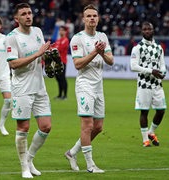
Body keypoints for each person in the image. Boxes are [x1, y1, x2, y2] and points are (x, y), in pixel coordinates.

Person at [64, 4, 114, 173]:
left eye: (95, 16)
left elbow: (111, 61)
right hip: (85, 85)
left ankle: (72, 152)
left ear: (98, 19)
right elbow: (77, 64)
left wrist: (101, 53)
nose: (92, 18)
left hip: (99, 86)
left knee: (98, 127)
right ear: (83, 19)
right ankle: (90, 165)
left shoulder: (103, 36)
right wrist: (95, 52)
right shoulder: (77, 39)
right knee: (87, 125)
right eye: (89, 16)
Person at [5, 3, 52, 178]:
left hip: (39, 87)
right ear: (17, 19)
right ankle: (24, 167)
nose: (28, 16)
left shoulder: (38, 32)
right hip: (21, 88)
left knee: (46, 127)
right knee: (23, 127)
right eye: (24, 14)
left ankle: (30, 159)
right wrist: (38, 54)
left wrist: (48, 54)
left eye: (29, 13)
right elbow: (13, 64)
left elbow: (41, 55)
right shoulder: (12, 37)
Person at [130, 22, 166, 147]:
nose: (147, 31)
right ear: (142, 31)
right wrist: (151, 71)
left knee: (161, 110)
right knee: (144, 111)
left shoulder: (158, 47)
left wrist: (163, 72)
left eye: (149, 29)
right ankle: (145, 139)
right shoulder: (137, 48)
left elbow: (162, 64)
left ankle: (151, 132)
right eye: (144, 29)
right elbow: (133, 66)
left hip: (157, 84)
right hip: (144, 84)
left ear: (153, 30)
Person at [52, 25, 69, 100]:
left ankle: (64, 95)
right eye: (60, 30)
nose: (61, 31)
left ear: (65, 31)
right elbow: (53, 48)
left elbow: (59, 49)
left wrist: (53, 49)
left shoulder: (65, 40)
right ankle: (60, 95)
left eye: (62, 30)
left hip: (62, 61)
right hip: (56, 62)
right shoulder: (58, 40)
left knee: (62, 78)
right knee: (58, 78)